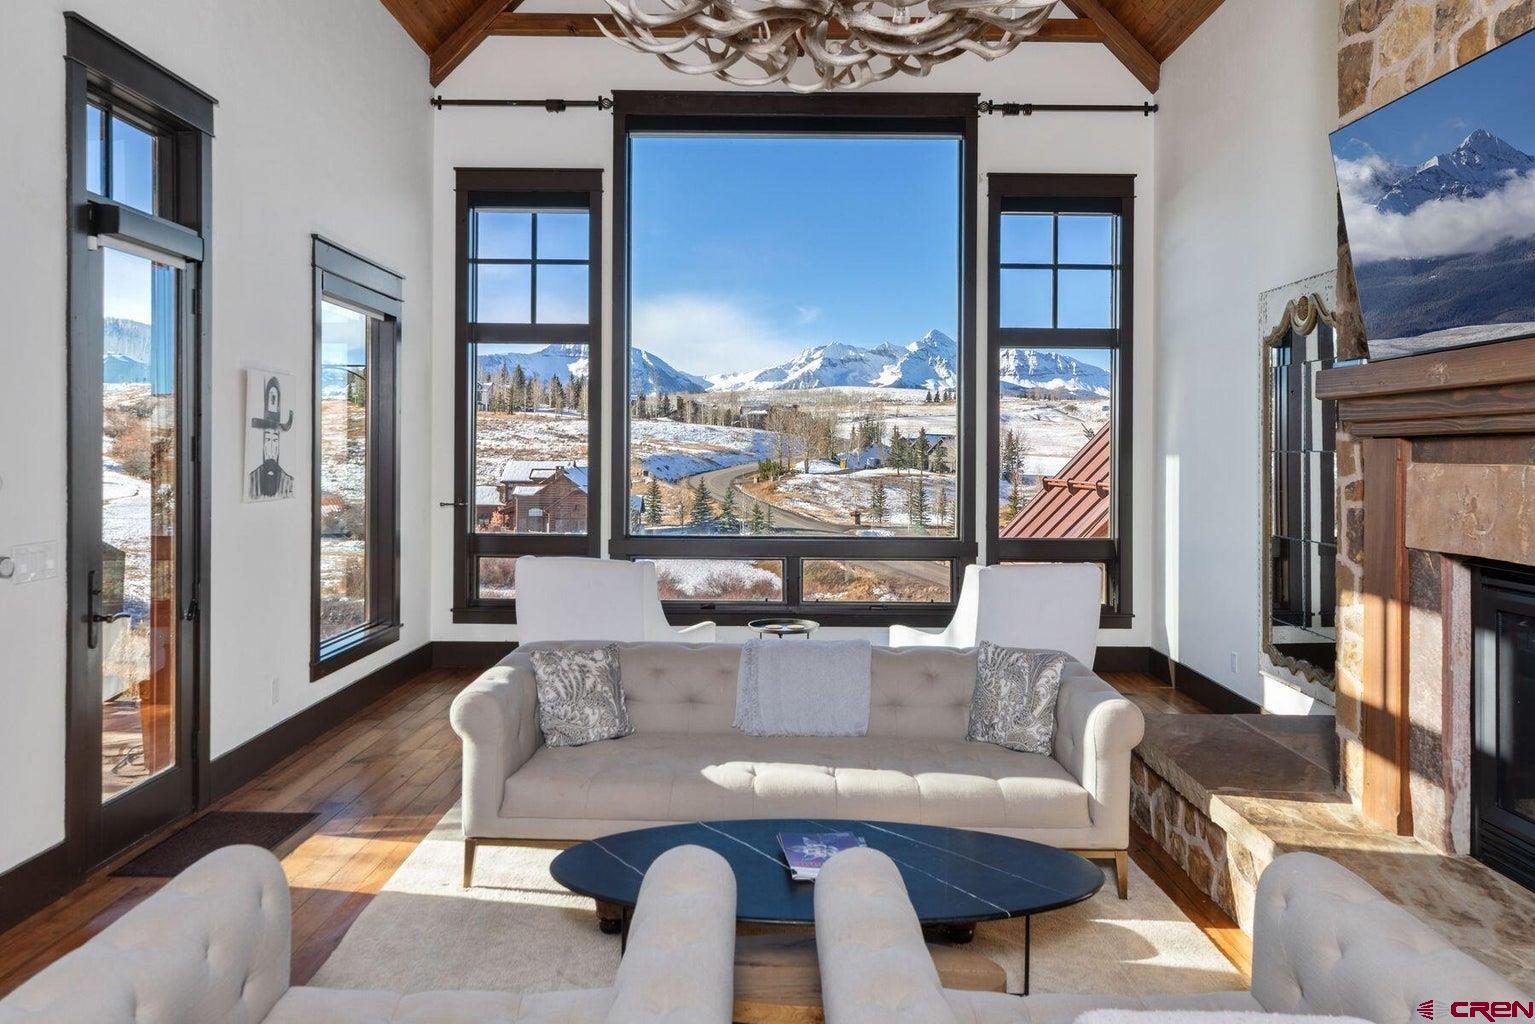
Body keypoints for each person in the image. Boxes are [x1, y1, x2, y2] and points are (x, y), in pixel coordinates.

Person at [248, 374, 295, 500]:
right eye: (267, 439)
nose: (271, 449)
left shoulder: (288, 482)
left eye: (275, 440)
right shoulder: (252, 479)